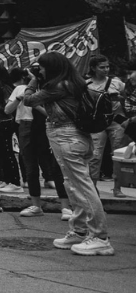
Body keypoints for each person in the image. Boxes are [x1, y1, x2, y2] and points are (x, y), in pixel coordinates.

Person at [24, 52, 113, 255]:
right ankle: (80, 231)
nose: (40, 71)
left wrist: (33, 79)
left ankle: (100, 237)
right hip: (75, 137)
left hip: (67, 137)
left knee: (82, 187)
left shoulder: (58, 86)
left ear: (52, 68)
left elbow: (28, 100)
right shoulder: (72, 82)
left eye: (42, 68)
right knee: (73, 186)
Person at [7, 65, 70, 219]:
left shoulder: (52, 89)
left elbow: (53, 114)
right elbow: (7, 110)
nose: (38, 74)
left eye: (40, 70)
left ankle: (66, 207)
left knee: (56, 166)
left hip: (48, 126)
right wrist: (20, 98)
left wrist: (34, 103)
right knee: (30, 167)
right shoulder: (21, 89)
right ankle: (36, 205)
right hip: (26, 126)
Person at [85, 54, 125, 194]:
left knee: (118, 155)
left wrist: (118, 99)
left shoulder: (117, 83)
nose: (106, 69)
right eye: (102, 67)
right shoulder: (86, 84)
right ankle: (93, 189)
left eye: (107, 67)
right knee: (95, 155)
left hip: (116, 120)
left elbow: (127, 99)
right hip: (97, 122)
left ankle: (117, 188)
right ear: (93, 68)